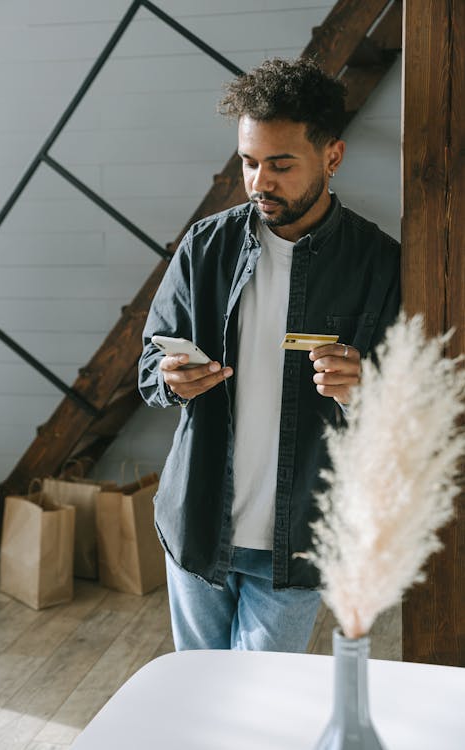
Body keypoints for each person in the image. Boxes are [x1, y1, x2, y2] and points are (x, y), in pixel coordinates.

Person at [138, 58, 400, 652]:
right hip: (198, 523)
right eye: (249, 162)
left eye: (280, 165)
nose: (259, 181)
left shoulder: (379, 264)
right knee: (201, 699)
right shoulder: (206, 246)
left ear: (332, 157)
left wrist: (368, 388)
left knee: (261, 714)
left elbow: (406, 409)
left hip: (301, 537)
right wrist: (171, 377)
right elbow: (149, 373)